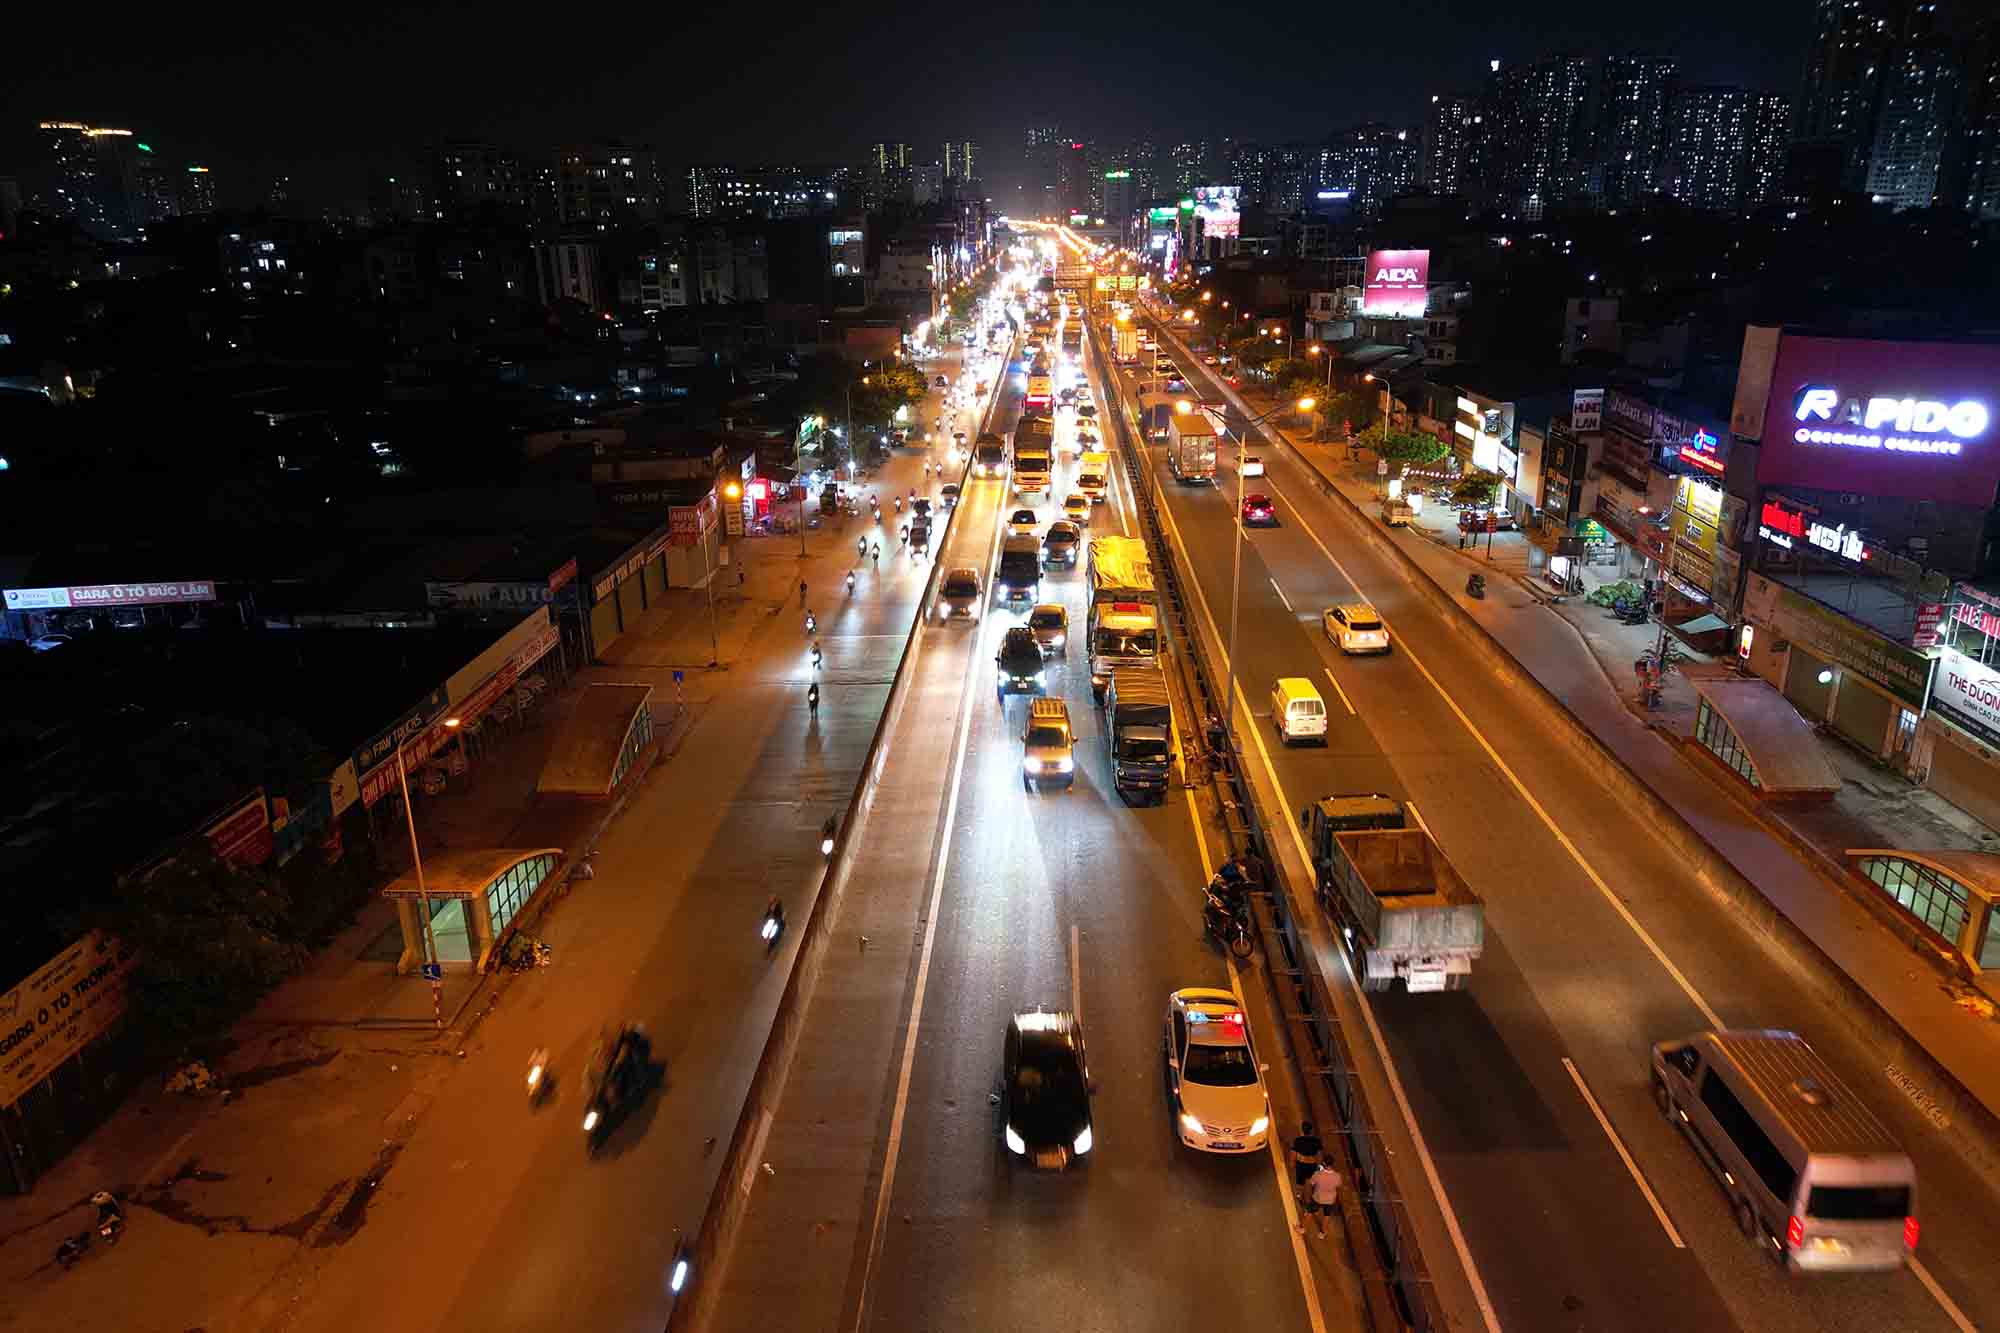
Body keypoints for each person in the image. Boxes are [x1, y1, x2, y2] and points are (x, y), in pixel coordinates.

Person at [1303, 1161, 1343, 1239]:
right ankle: (1322, 1233)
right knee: (1327, 1216)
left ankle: (1302, 1228)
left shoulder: (1318, 1174)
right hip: (1330, 1200)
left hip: (1318, 1198)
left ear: (1324, 1164)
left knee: (1309, 1212)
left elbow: (1311, 1183)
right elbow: (1339, 1185)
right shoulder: (1337, 1176)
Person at [1288, 1122, 1323, 1206]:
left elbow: (1293, 1153)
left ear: (1302, 1130)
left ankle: (1299, 1196)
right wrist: (1319, 1166)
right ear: (1311, 1130)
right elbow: (1319, 1155)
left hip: (1301, 1165)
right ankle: (1308, 1200)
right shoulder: (1316, 1141)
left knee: (1300, 1183)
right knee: (1310, 1183)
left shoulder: (1298, 1140)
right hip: (1312, 1165)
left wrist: (1292, 1163)